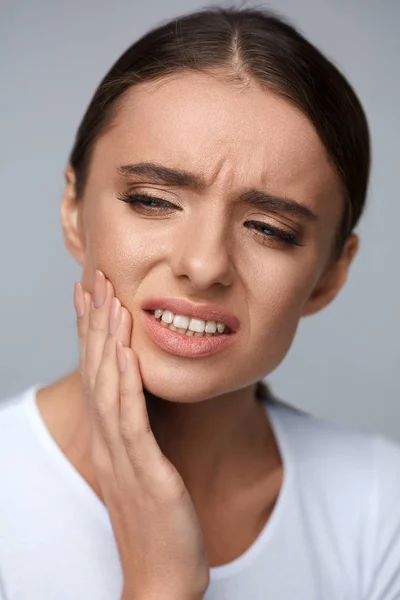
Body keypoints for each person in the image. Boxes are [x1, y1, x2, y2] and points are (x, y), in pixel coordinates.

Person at [1, 5, 399, 599]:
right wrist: (161, 584)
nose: (206, 264)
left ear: (328, 276)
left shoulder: (380, 505)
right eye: (155, 200)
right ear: (74, 210)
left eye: (269, 228)